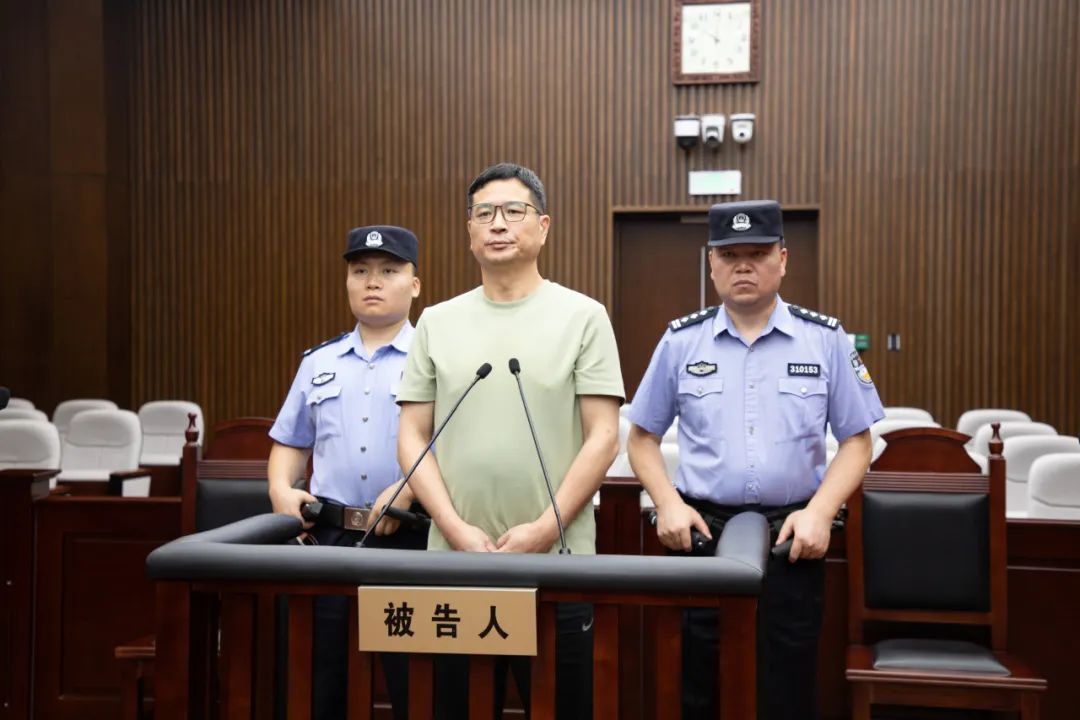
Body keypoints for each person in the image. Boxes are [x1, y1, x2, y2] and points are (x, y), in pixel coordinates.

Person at [627, 200, 884, 720]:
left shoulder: (824, 339)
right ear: (711, 263)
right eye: (730, 255)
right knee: (697, 685)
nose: (743, 266)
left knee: (787, 686)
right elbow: (641, 438)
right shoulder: (680, 342)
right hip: (702, 538)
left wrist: (820, 513)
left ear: (782, 260)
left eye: (758, 254)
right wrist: (668, 504)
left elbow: (858, 441)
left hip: (792, 540)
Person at [395, 163, 624, 718]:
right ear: (469, 231)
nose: (498, 224)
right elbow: (411, 436)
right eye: (484, 213)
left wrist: (544, 529)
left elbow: (604, 436)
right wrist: (454, 530)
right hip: (455, 564)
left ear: (543, 226)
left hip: (558, 563)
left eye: (514, 211)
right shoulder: (437, 322)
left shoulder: (584, 317)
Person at [267, 224, 427, 720]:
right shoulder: (319, 361)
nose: (372, 281)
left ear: (414, 285)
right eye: (360, 271)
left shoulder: (436, 360)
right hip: (327, 540)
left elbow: (451, 445)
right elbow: (290, 442)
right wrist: (280, 491)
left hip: (408, 538)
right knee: (321, 677)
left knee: (416, 682)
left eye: (388, 271)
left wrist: (407, 490)